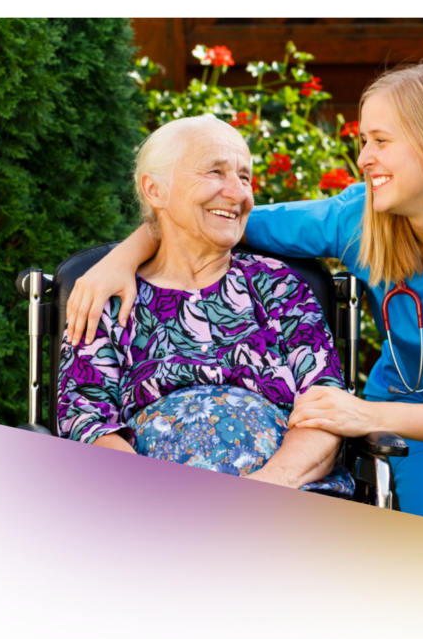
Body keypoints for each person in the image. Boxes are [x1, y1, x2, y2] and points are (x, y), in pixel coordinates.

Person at [65, 63, 423, 540]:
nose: (363, 158)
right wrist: (123, 255)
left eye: (380, 140)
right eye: (363, 141)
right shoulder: (359, 217)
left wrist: (362, 414)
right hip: (420, 392)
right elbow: (218, 217)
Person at [58, 114, 353, 498]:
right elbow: (87, 424)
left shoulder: (279, 287)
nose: (238, 193)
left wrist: (265, 488)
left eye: (245, 178)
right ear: (155, 190)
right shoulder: (109, 300)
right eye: (216, 172)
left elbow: (326, 409)